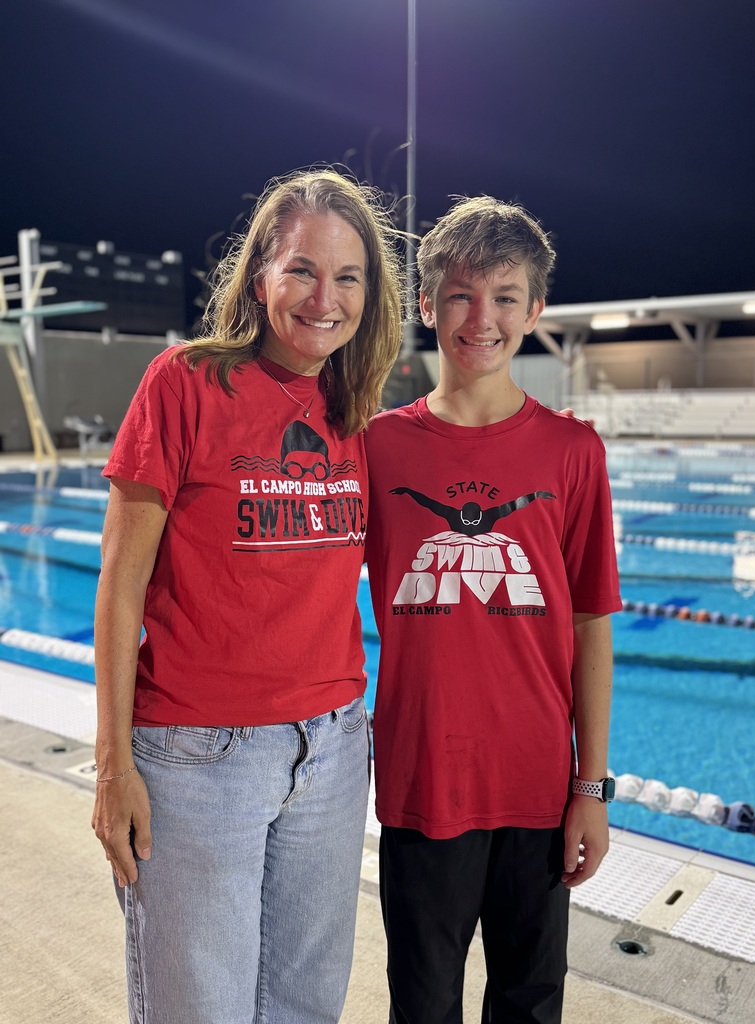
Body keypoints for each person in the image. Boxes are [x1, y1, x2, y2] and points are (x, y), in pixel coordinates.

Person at [91, 168, 404, 1024]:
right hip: (197, 759)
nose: (324, 297)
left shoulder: (355, 411)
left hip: (333, 751)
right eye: (302, 269)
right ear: (259, 274)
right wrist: (113, 766)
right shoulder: (186, 383)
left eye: (348, 277)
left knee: (307, 1005)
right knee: (202, 1009)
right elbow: (119, 589)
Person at [364, 196, 622, 1024]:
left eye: (506, 296)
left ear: (536, 308)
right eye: (463, 295)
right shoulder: (376, 447)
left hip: (538, 784)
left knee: (529, 1002)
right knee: (424, 1006)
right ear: (428, 304)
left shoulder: (573, 451)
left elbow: (590, 624)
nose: (483, 319)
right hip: (423, 778)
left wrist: (592, 786)